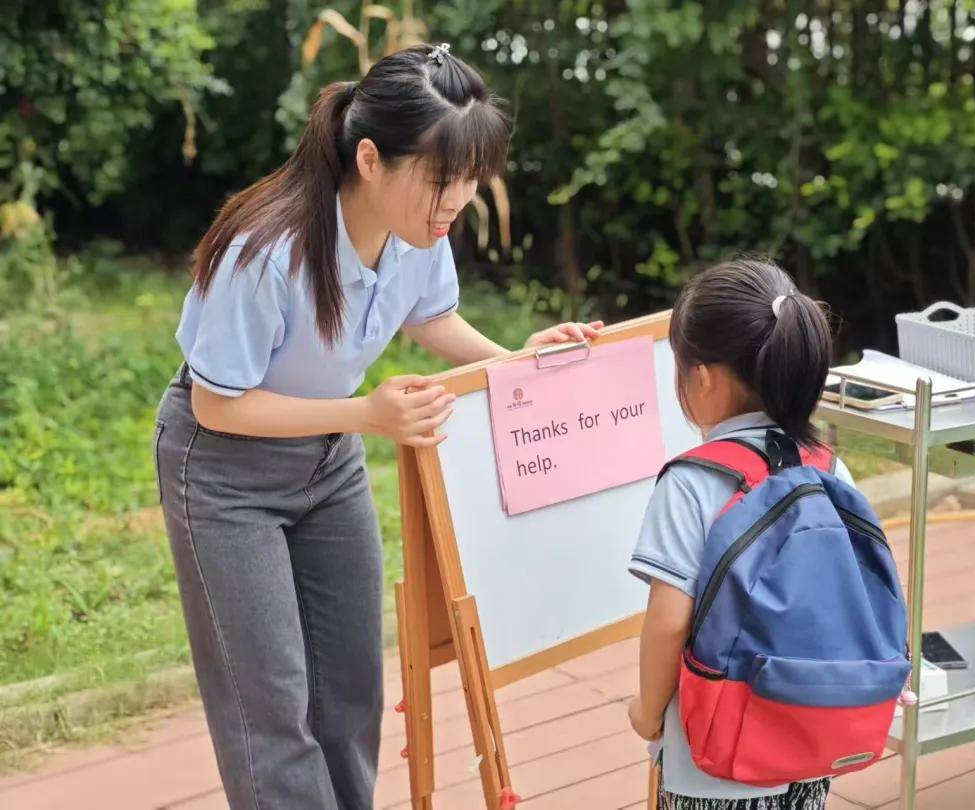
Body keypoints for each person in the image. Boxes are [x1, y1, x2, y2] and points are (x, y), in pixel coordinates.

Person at [153, 43, 600, 810]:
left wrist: (514, 361)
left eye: (469, 178)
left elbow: (433, 317)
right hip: (224, 470)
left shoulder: (420, 233)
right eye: (441, 177)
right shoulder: (267, 249)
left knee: (352, 690)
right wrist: (367, 414)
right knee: (270, 705)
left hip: (329, 461)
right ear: (370, 158)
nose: (457, 198)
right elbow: (216, 404)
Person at [627, 257, 847, 810]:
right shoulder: (827, 467)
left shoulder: (692, 482)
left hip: (715, 757)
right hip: (811, 734)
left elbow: (670, 620)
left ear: (700, 377)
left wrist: (648, 711)